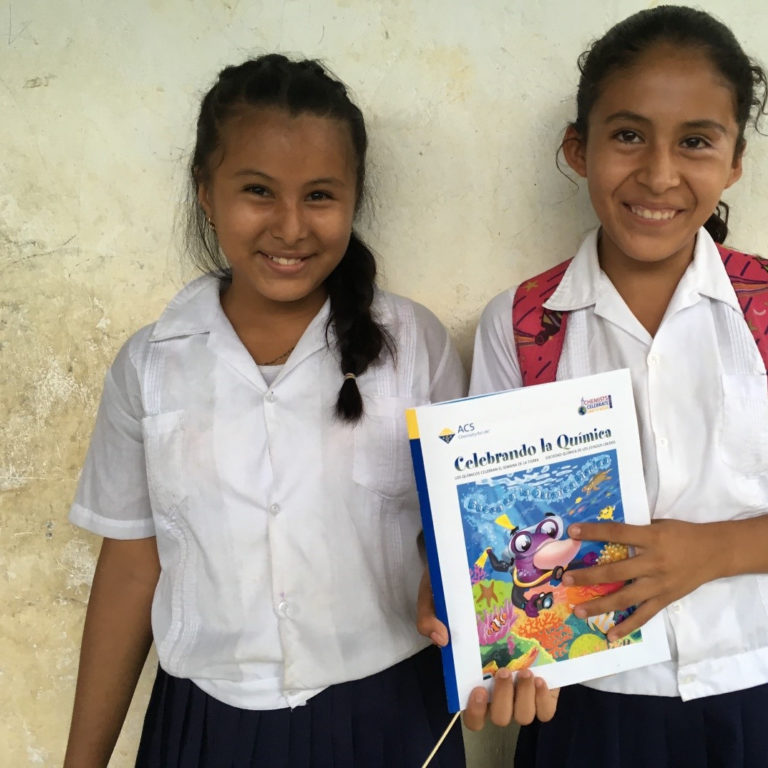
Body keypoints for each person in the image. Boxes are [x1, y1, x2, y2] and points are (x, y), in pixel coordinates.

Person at [462, 6, 768, 766]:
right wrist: (493, 636)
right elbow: (502, 539)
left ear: (733, 163)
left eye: (696, 141)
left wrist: (710, 551)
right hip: (591, 702)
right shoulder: (524, 324)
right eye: (627, 135)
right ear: (579, 149)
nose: (659, 174)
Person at [64, 54, 466, 768]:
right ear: (206, 194)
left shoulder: (413, 347)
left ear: (353, 198)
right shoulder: (153, 364)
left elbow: (466, 538)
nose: (290, 226)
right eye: (257, 191)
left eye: (319, 195)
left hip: (391, 719)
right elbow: (130, 569)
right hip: (206, 729)